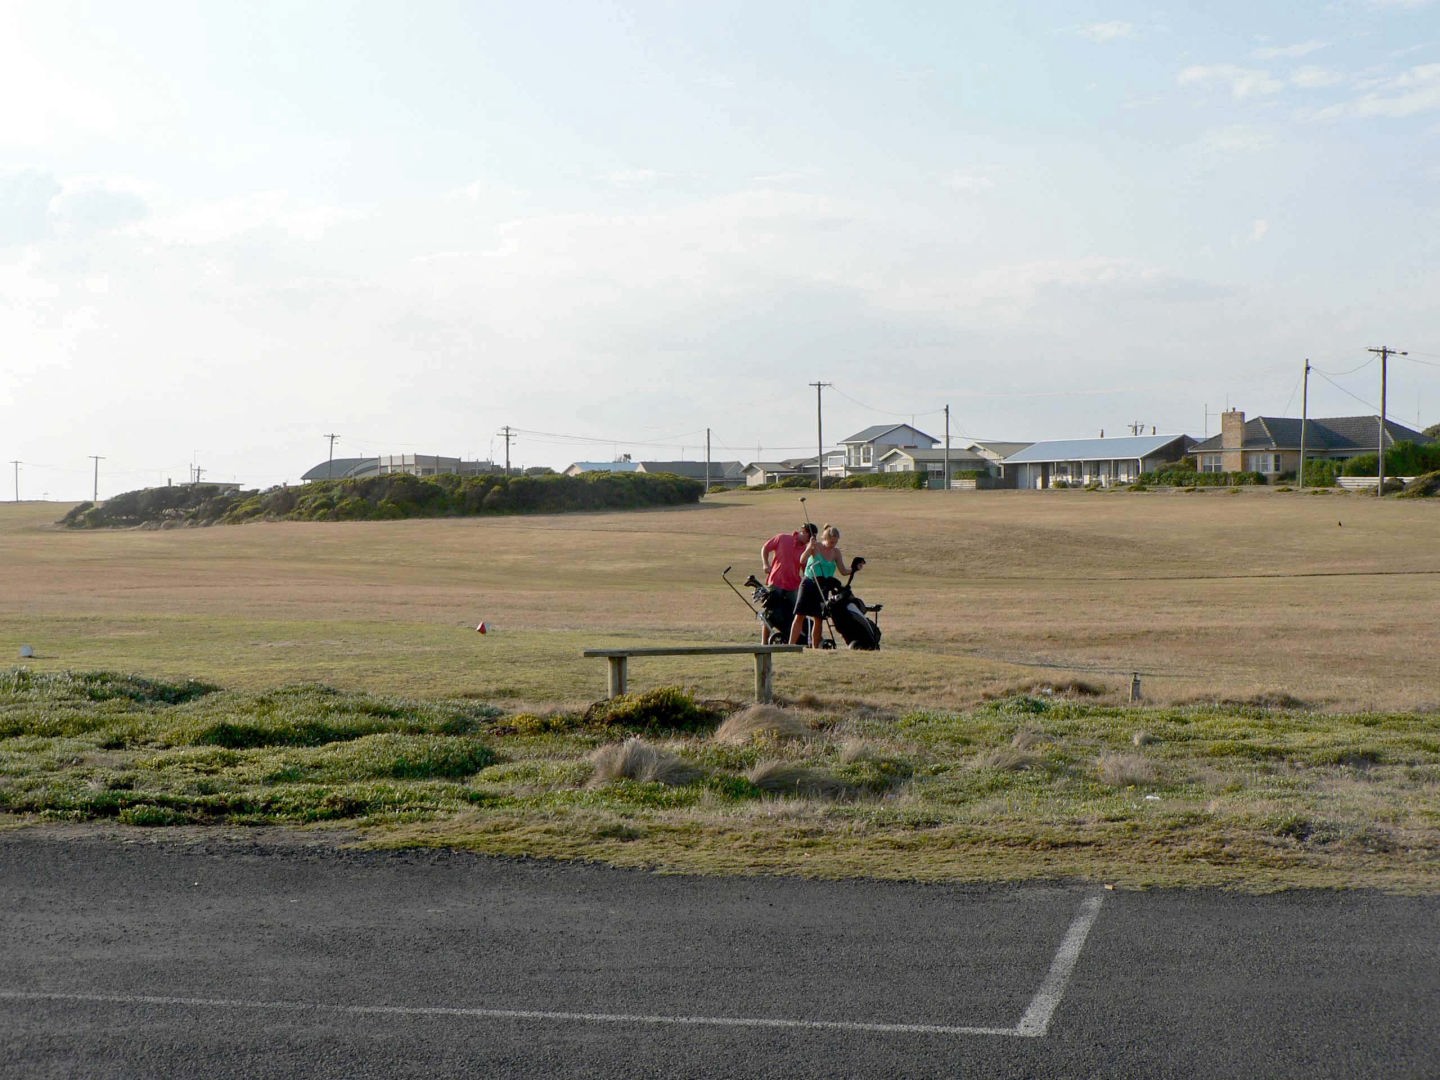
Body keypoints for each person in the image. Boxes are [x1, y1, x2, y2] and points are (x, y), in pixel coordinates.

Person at [789, 523, 859, 648]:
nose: (833, 544)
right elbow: (802, 560)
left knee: (819, 618)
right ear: (825, 538)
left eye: (835, 542)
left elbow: (843, 571)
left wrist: (854, 569)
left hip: (823, 587)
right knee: (800, 615)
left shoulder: (836, 552)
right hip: (809, 583)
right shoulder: (815, 546)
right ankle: (790, 646)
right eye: (831, 542)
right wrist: (809, 547)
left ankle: (815, 648)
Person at [759, 522, 815, 643]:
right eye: (810, 536)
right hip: (776, 582)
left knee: (797, 613)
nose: (809, 540)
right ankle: (764, 643)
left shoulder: (805, 550)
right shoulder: (782, 538)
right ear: (803, 532)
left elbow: (805, 569)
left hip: (793, 586)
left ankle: (796, 640)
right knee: (770, 612)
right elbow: (765, 548)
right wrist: (765, 564)